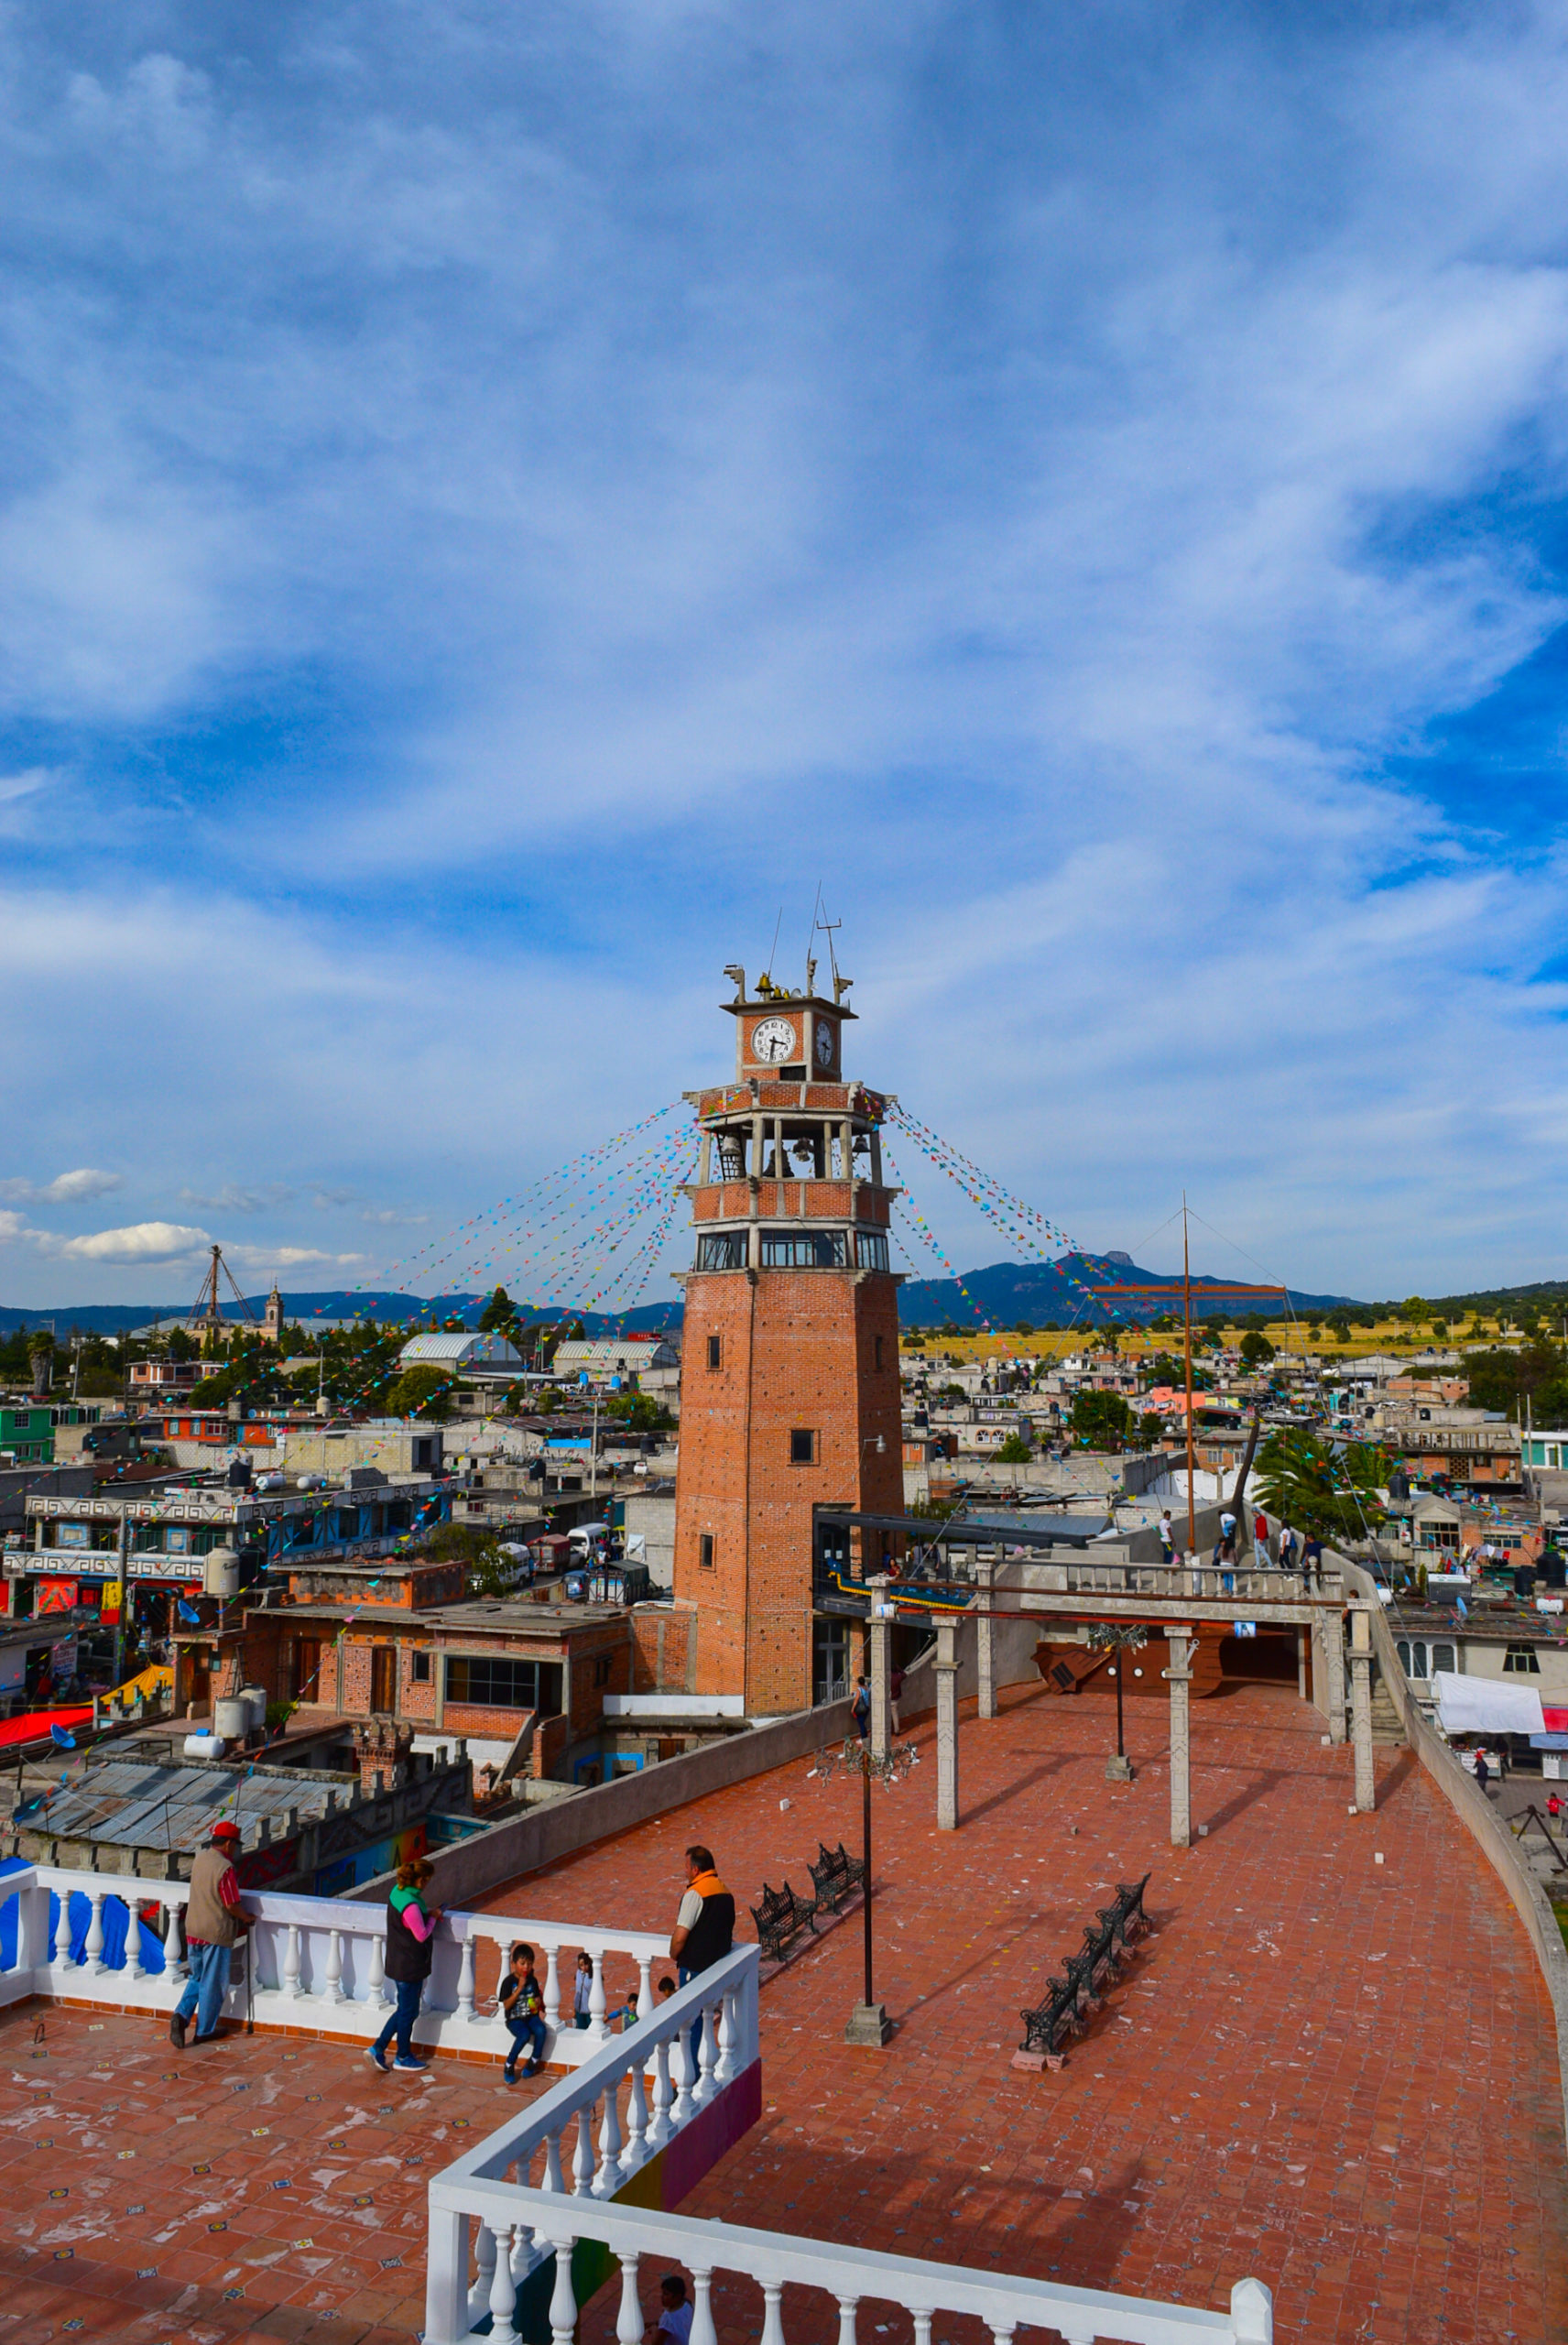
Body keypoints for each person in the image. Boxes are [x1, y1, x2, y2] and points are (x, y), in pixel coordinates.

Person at [169, 1819, 251, 2050]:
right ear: (227, 1843)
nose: (235, 1850)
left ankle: (181, 2016)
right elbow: (231, 1903)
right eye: (234, 1845)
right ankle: (205, 2030)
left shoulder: (200, 1859)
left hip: (193, 1929)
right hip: (215, 1933)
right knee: (213, 1983)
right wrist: (245, 1917)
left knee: (197, 1977)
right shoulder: (225, 1868)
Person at [370, 1857, 441, 2074]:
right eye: (426, 1881)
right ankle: (402, 2056)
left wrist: (426, 1913)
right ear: (419, 1880)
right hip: (409, 1965)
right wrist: (434, 1918)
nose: (427, 1884)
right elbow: (421, 1934)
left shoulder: (397, 1893)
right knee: (409, 2012)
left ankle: (378, 2048)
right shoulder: (410, 1905)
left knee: (404, 2010)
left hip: (398, 1961)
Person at [670, 1844, 735, 2072]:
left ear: (695, 1870)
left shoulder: (695, 1894)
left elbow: (680, 1937)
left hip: (694, 1969)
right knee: (705, 2023)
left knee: (691, 2025)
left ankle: (691, 2075)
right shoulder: (725, 1891)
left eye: (686, 1867)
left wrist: (674, 1953)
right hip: (716, 1968)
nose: (684, 1872)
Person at [498, 1941, 547, 2081]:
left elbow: (534, 2000)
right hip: (515, 2019)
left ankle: (535, 2059)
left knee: (541, 2031)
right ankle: (509, 2063)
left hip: (530, 2016)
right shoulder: (508, 1982)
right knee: (524, 2035)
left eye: (529, 1964)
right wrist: (519, 1988)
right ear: (514, 1963)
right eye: (523, 1963)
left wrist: (536, 2003)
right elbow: (506, 2005)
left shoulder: (533, 1980)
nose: (526, 1967)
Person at [647, 2274, 692, 2345]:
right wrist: (655, 2323)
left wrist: (654, 2329)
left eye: (666, 2294)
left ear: (677, 2297)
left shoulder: (668, 2319)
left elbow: (656, 2342)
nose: (662, 2296)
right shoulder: (687, 2304)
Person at [572, 1949, 594, 2028]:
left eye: (586, 1964)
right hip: (579, 2008)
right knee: (581, 2030)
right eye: (581, 1965)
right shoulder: (578, 1973)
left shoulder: (593, 1976)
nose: (584, 1967)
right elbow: (577, 1990)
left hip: (589, 2010)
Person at [851, 1674, 871, 1740]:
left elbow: (856, 1699)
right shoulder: (867, 1688)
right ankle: (865, 1737)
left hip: (862, 1709)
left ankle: (864, 1738)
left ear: (859, 1682)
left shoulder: (859, 1689)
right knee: (862, 1723)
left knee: (861, 1724)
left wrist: (853, 1709)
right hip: (867, 1707)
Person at [888, 1666, 904, 1735]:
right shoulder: (898, 1677)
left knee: (885, 1715)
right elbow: (905, 1674)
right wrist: (899, 1668)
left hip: (887, 1699)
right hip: (895, 1699)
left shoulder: (887, 1677)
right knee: (895, 1715)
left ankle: (887, 1730)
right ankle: (896, 1730)